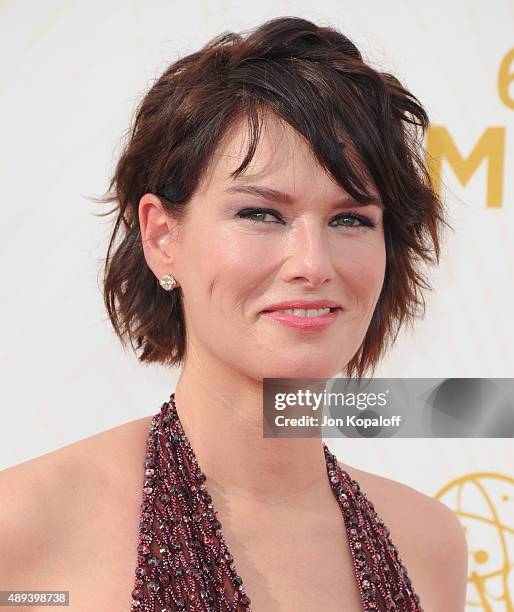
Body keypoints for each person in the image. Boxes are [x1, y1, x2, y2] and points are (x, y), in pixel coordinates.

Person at [0, 16, 468, 612]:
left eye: (351, 219)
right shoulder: (20, 535)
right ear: (162, 235)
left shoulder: (429, 543)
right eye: (261, 214)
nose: (312, 264)